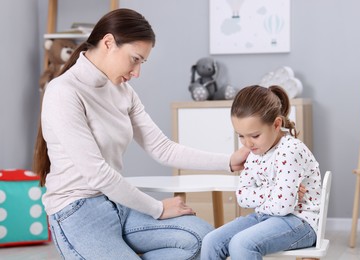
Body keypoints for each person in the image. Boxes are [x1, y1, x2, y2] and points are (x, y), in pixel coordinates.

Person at [33, 8, 249, 260]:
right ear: (108, 43)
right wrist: (157, 208)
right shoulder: (63, 92)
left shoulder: (122, 91)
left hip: (117, 204)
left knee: (205, 240)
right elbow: (98, 174)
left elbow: (163, 148)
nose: (137, 73)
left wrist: (228, 161)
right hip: (77, 211)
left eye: (142, 62)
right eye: (135, 59)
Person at [201, 85, 322, 260]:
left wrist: (264, 197)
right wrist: (275, 192)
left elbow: (283, 207)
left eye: (255, 135)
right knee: (211, 241)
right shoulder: (255, 152)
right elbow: (242, 196)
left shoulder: (290, 150)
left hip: (300, 222)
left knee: (242, 244)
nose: (248, 144)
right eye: (241, 136)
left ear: (276, 124)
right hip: (265, 217)